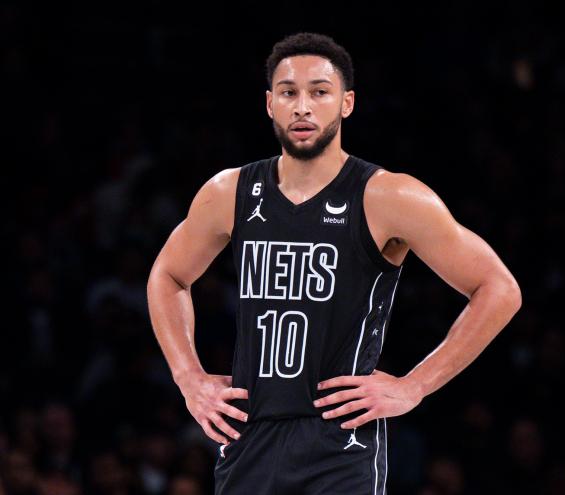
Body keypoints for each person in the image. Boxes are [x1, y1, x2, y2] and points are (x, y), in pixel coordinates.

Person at [146, 32, 522, 495]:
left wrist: (415, 385)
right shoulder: (229, 192)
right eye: (288, 92)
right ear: (269, 104)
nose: (302, 106)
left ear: (346, 103)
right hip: (249, 437)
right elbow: (167, 276)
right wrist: (189, 379)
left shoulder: (388, 195)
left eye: (319, 92)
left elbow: (498, 289)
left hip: (339, 444)